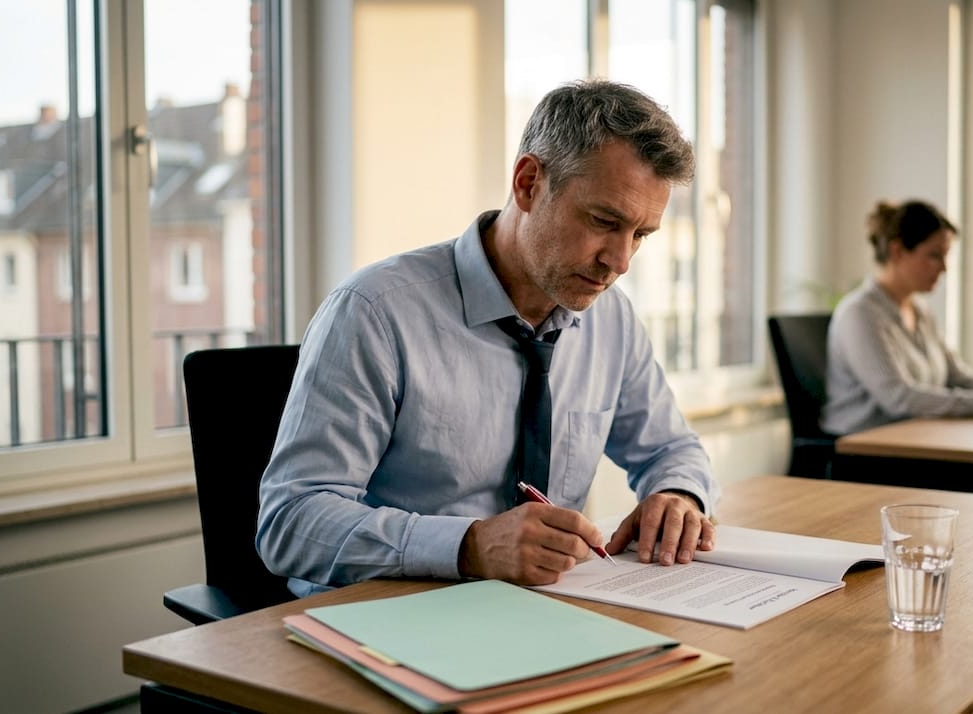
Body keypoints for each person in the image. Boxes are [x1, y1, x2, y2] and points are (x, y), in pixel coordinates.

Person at [257, 79, 720, 597]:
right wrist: (468, 546)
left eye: (640, 235)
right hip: (388, 613)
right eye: (603, 221)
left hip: (538, 610)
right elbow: (290, 523)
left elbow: (672, 449)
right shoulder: (375, 312)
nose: (620, 261)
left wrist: (678, 495)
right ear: (528, 183)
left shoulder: (611, 319)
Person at [821, 199, 973, 436]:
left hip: (916, 436)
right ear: (897, 251)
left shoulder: (921, 312)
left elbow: (958, 377)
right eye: (934, 255)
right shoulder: (859, 313)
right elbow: (899, 398)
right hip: (864, 448)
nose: (944, 268)